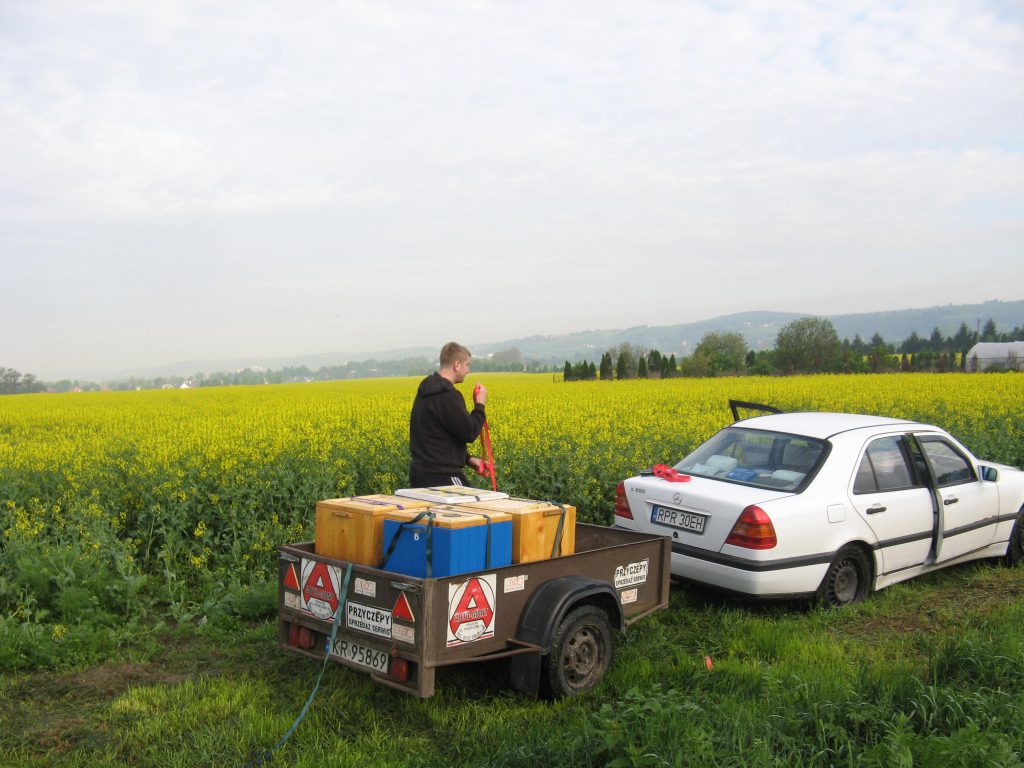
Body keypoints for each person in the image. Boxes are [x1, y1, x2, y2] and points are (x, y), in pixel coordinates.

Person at [408, 342, 488, 487]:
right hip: (443, 476)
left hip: (419, 474)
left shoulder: (425, 391)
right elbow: (470, 432)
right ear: (457, 365)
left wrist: (468, 459)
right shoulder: (448, 395)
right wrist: (480, 405)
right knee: (472, 502)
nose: (468, 370)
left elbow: (436, 438)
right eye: (467, 365)